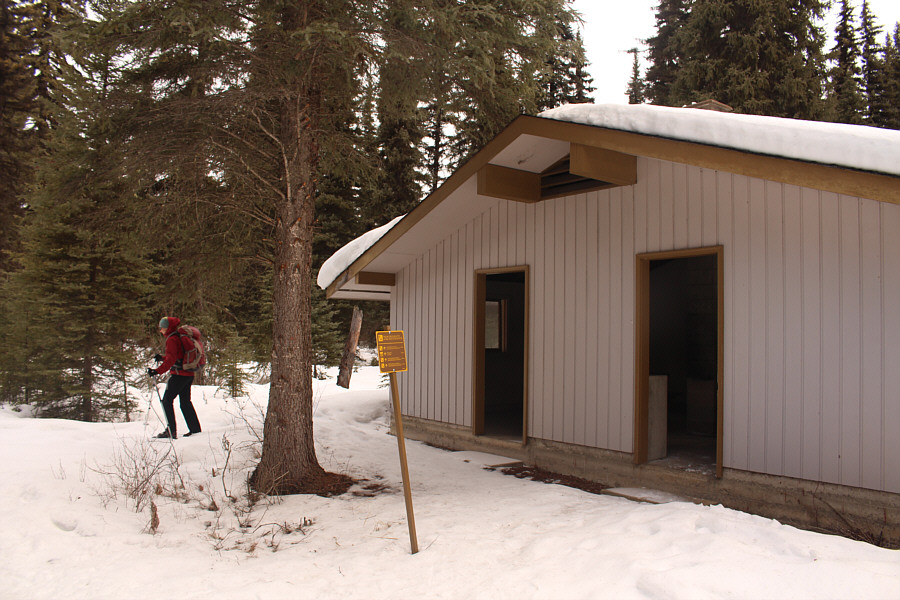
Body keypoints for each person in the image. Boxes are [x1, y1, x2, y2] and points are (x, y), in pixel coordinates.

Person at [148, 316, 202, 439]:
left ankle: (171, 431)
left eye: (162, 327)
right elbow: (177, 355)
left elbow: (172, 360)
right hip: (188, 374)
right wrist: (162, 358)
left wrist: (157, 371)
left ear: (167, 328)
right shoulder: (179, 336)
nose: (161, 330)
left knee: (167, 401)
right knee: (185, 402)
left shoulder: (172, 339)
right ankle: (195, 430)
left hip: (178, 375)